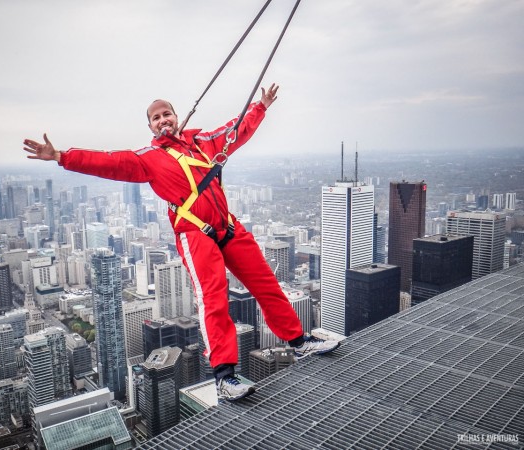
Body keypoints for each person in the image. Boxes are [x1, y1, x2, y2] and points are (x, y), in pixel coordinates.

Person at [23, 84, 339, 402]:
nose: (163, 120)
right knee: (213, 299)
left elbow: (236, 130)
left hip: (227, 226)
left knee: (267, 284)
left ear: (176, 116)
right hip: (195, 232)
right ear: (151, 126)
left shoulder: (203, 142)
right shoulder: (148, 158)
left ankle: (299, 343)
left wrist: (261, 106)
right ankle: (225, 378)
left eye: (166, 114)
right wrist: (62, 156)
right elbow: (108, 162)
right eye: (156, 118)